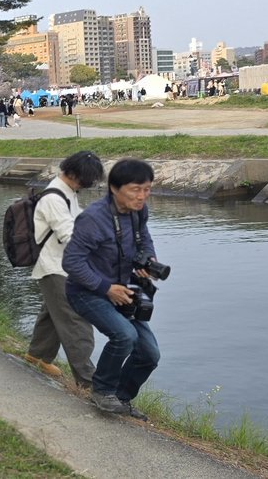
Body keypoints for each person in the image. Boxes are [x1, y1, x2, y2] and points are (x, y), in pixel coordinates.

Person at [64, 158, 162, 420]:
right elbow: (71, 263)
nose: (142, 196)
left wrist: (148, 261)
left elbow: (145, 240)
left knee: (150, 354)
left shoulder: (139, 211)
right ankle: (102, 391)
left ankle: (120, 398)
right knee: (125, 336)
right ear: (114, 188)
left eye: (147, 189)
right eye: (135, 189)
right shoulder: (93, 219)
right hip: (86, 291)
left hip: (122, 289)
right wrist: (106, 288)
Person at [23, 151, 106, 390]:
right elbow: (70, 236)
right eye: (85, 181)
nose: (86, 186)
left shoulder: (67, 192)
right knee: (76, 319)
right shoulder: (54, 198)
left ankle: (37, 356)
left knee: (52, 313)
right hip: (56, 267)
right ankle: (89, 380)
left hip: (61, 265)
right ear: (73, 174)